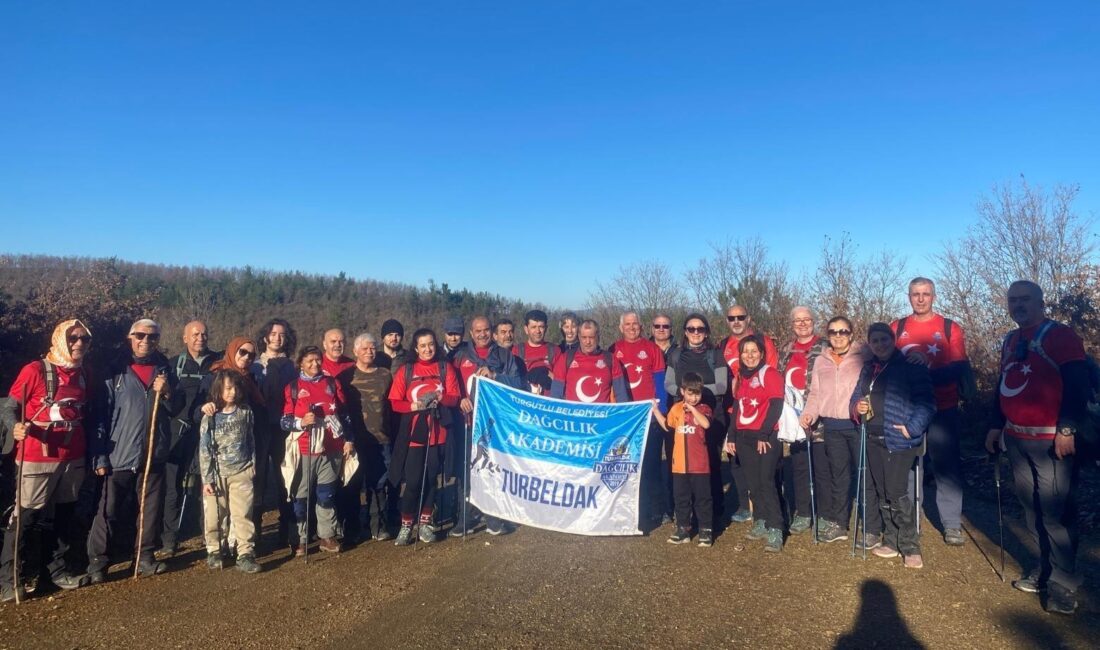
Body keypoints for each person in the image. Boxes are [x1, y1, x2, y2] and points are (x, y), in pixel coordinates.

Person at [984, 280, 1090, 615]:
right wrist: (993, 425)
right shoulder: (1011, 339)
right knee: (1031, 511)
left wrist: (1068, 429)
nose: (1018, 305)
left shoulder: (1060, 336)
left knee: (1055, 514)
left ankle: (1064, 581)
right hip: (1017, 438)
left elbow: (1078, 385)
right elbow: (1003, 386)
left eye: (1025, 299)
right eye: (1013, 300)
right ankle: (1045, 568)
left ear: (1041, 302)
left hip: (1051, 440)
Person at [1, 319, 94, 601]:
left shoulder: (84, 375)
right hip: (35, 457)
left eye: (84, 339)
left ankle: (53, 573)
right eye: (73, 338)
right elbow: (9, 406)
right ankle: (8, 581)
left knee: (64, 517)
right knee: (25, 518)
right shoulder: (34, 370)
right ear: (59, 339)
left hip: (72, 457)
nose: (79, 344)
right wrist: (14, 427)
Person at [86, 318, 175, 582]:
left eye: (152, 337)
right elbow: (100, 416)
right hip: (118, 455)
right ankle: (98, 564)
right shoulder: (114, 370)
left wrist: (168, 392)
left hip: (152, 454)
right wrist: (100, 455)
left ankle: (145, 558)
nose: (146, 341)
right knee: (107, 511)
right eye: (140, 335)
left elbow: (177, 408)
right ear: (130, 338)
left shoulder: (165, 370)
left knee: (149, 510)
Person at [890, 277, 973, 546]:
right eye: (916, 294)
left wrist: (924, 370)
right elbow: (887, 365)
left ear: (934, 297)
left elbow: (958, 367)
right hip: (906, 409)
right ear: (909, 296)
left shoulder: (950, 327)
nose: (921, 298)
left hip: (943, 408)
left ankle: (951, 524)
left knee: (945, 467)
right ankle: (911, 520)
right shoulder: (896, 327)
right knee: (911, 465)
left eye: (926, 294)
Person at [852, 322, 935, 569]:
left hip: (899, 439)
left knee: (896, 492)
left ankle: (911, 547)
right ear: (870, 344)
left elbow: (927, 403)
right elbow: (856, 396)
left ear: (893, 340)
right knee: (881, 491)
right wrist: (857, 407)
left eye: (884, 339)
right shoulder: (868, 368)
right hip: (872, 436)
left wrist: (912, 427)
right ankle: (890, 540)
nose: (880, 344)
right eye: (874, 341)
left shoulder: (910, 366)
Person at [801, 317, 880, 545]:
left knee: (865, 476)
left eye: (843, 332)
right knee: (839, 477)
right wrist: (809, 414)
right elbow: (815, 394)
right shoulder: (820, 361)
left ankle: (871, 528)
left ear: (851, 334)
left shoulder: (864, 357)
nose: (838, 336)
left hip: (857, 425)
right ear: (828, 334)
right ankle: (840, 524)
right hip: (831, 427)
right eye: (833, 332)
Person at [450, 316, 524, 536]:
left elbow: (518, 384)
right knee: (467, 471)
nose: (482, 334)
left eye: (485, 330)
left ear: (491, 332)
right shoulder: (460, 356)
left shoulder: (503, 355)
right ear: (471, 334)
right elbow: (450, 385)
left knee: (491, 470)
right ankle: (466, 518)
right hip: (466, 423)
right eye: (477, 331)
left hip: (493, 427)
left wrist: (495, 376)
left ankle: (493, 518)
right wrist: (458, 400)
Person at [279, 346, 354, 556]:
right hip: (304, 448)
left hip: (332, 449)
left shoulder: (332, 383)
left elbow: (344, 414)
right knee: (300, 497)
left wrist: (349, 439)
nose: (315, 364)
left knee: (326, 494)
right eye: (309, 361)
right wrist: (301, 422)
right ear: (301, 363)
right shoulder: (293, 387)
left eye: (318, 360)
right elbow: (284, 421)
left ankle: (327, 535)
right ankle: (300, 538)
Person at [388, 329, 461, 545]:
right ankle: (406, 524)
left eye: (431, 344)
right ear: (415, 348)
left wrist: (440, 398)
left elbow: (455, 398)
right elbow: (395, 402)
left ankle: (425, 522)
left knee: (431, 479)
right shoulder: (407, 370)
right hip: (414, 434)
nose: (428, 349)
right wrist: (416, 405)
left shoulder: (445, 368)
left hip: (438, 433)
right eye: (423, 345)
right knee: (412, 482)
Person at [162, 320, 221, 556]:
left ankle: (209, 535)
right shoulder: (174, 365)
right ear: (185, 338)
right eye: (195, 334)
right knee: (172, 488)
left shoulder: (218, 363)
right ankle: (169, 539)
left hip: (209, 432)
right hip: (178, 433)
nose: (200, 338)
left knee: (206, 486)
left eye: (204, 334)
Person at [198, 337, 266, 543]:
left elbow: (258, 414)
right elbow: (195, 410)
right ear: (232, 350)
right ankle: (216, 546)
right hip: (218, 455)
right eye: (242, 352)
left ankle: (244, 546)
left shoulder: (251, 379)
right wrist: (204, 407)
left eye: (251, 355)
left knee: (243, 505)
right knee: (217, 507)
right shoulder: (213, 376)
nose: (246, 357)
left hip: (246, 452)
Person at [664, 314, 729, 524]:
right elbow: (668, 384)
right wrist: (687, 398)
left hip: (711, 414)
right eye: (691, 329)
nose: (695, 333)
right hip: (682, 415)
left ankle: (713, 513)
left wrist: (695, 393)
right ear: (685, 332)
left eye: (700, 329)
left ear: (706, 332)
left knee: (710, 463)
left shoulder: (715, 354)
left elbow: (722, 386)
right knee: (685, 464)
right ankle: (686, 513)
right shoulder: (675, 355)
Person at [717, 304, 777, 524]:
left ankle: (768, 509)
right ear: (727, 320)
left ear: (748, 318)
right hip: (734, 411)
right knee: (736, 461)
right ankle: (745, 505)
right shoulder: (723, 345)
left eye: (740, 317)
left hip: (759, 411)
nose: (736, 321)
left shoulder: (763, 340)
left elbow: (769, 374)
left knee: (764, 464)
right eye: (731, 317)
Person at [724, 335, 785, 552]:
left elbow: (777, 404)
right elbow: (737, 409)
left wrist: (764, 433)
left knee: (766, 482)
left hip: (765, 437)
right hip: (743, 437)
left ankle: (776, 527)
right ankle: (760, 520)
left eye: (754, 351)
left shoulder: (769, 373)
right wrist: (731, 437)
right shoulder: (742, 376)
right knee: (753, 483)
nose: (749, 355)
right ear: (740, 355)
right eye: (745, 351)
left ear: (761, 353)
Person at [198, 370, 260, 574]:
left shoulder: (245, 411)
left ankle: (245, 553)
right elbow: (205, 449)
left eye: (235, 388)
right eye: (227, 388)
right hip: (217, 475)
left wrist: (252, 464)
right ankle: (214, 550)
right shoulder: (210, 416)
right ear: (218, 390)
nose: (232, 392)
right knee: (215, 515)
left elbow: (251, 439)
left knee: (242, 514)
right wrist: (207, 479)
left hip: (241, 472)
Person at [611, 311, 669, 527]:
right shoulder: (613, 350)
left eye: (635, 323)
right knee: (624, 465)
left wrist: (660, 412)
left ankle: (657, 508)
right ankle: (629, 508)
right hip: (624, 419)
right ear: (620, 327)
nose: (632, 327)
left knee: (651, 465)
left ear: (641, 326)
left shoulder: (651, 349)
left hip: (648, 418)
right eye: (627, 324)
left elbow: (660, 383)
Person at [778, 306, 830, 536]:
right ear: (792, 324)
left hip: (820, 418)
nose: (802, 324)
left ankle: (826, 514)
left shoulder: (826, 346)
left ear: (813, 321)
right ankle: (804, 512)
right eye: (797, 321)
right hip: (794, 417)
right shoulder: (785, 349)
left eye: (806, 320)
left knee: (821, 467)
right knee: (799, 467)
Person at [341, 332, 396, 542]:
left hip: (381, 439)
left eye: (372, 347)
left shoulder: (385, 375)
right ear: (355, 351)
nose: (369, 351)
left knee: (379, 484)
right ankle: (353, 528)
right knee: (353, 485)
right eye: (364, 348)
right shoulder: (346, 377)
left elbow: (391, 406)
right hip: (354, 441)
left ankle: (378, 526)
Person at [652, 372, 714, 547]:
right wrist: (656, 411)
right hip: (679, 465)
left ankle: (705, 530)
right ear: (682, 391)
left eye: (697, 393)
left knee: (703, 498)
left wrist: (693, 409)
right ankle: (683, 529)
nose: (693, 397)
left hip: (699, 465)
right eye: (690, 393)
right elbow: (667, 425)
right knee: (681, 498)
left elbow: (706, 424)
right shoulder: (676, 409)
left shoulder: (704, 409)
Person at [252, 318, 298, 548]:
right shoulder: (254, 365)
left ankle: (287, 531)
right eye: (273, 333)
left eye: (282, 334)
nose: (277, 338)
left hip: (284, 429)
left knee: (285, 480)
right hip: (259, 430)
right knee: (256, 480)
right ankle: (255, 534)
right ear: (265, 337)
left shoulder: (292, 367)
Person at [551, 319, 629, 404]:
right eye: (584, 337)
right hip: (574, 416)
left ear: (597, 337)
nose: (587, 342)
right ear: (579, 337)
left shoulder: (610, 359)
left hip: (600, 416)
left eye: (591, 337)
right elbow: (556, 394)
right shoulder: (566, 358)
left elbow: (621, 396)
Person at [515, 309, 558, 395]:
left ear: (546, 328)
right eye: (533, 327)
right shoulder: (517, 350)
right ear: (526, 329)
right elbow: (512, 380)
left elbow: (559, 381)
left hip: (548, 403)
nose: (538, 331)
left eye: (541, 327)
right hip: (525, 401)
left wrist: (546, 373)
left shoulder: (555, 350)